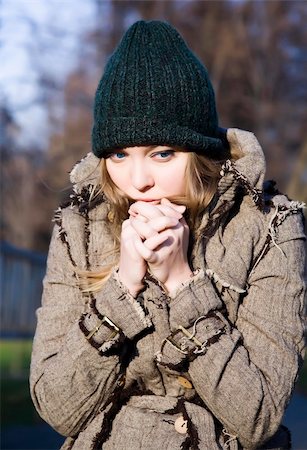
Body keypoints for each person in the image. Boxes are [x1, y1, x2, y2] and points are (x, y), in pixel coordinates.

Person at [30, 20, 306, 450]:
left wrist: (182, 284)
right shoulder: (77, 228)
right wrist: (122, 286)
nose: (137, 180)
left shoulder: (270, 226)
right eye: (120, 154)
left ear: (196, 151)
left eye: (162, 153)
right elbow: (58, 409)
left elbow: (258, 417)